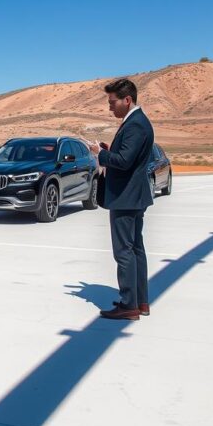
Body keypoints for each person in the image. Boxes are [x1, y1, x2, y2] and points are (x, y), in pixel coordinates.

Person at [87, 78, 155, 320]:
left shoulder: (135, 125)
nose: (110, 107)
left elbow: (124, 162)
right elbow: (129, 156)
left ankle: (129, 305)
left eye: (112, 102)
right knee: (135, 249)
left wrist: (101, 154)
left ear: (127, 100)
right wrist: (110, 150)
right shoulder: (137, 122)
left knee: (124, 252)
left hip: (126, 197)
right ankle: (140, 301)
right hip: (134, 196)